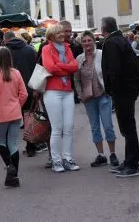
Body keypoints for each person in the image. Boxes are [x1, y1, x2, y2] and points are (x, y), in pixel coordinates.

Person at [101, 17, 139, 177]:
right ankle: (130, 160)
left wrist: (111, 89)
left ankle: (132, 164)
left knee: (127, 127)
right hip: (128, 88)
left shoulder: (112, 43)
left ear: (104, 29)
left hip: (123, 90)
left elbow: (114, 70)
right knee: (128, 127)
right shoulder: (120, 40)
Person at [74, 30, 119, 168]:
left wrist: (110, 89)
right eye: (84, 41)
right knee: (94, 127)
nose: (87, 43)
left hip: (103, 95)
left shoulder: (101, 55)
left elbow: (109, 72)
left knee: (108, 126)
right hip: (88, 98)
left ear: (94, 41)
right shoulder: (79, 59)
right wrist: (80, 94)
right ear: (81, 43)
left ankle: (112, 153)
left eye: (89, 40)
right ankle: (101, 155)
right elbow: (76, 79)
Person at [0, 47, 28, 187]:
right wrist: (18, 105)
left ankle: (10, 167)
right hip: (15, 112)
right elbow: (24, 94)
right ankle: (14, 176)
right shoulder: (16, 73)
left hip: (0, 113)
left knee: (0, 142)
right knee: (13, 144)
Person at [41, 24, 80, 172]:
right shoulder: (46, 49)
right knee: (57, 128)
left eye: (62, 32)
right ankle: (56, 161)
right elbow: (50, 67)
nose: (62, 34)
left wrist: (60, 67)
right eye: (58, 32)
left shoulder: (68, 48)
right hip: (52, 91)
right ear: (51, 35)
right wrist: (66, 67)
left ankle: (68, 158)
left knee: (69, 127)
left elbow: (75, 66)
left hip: (67, 91)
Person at [3, 31, 39, 156]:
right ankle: (31, 147)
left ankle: (10, 148)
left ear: (5, 40)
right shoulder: (29, 50)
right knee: (28, 117)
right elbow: (36, 69)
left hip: (11, 90)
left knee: (10, 120)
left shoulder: (5, 51)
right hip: (29, 88)